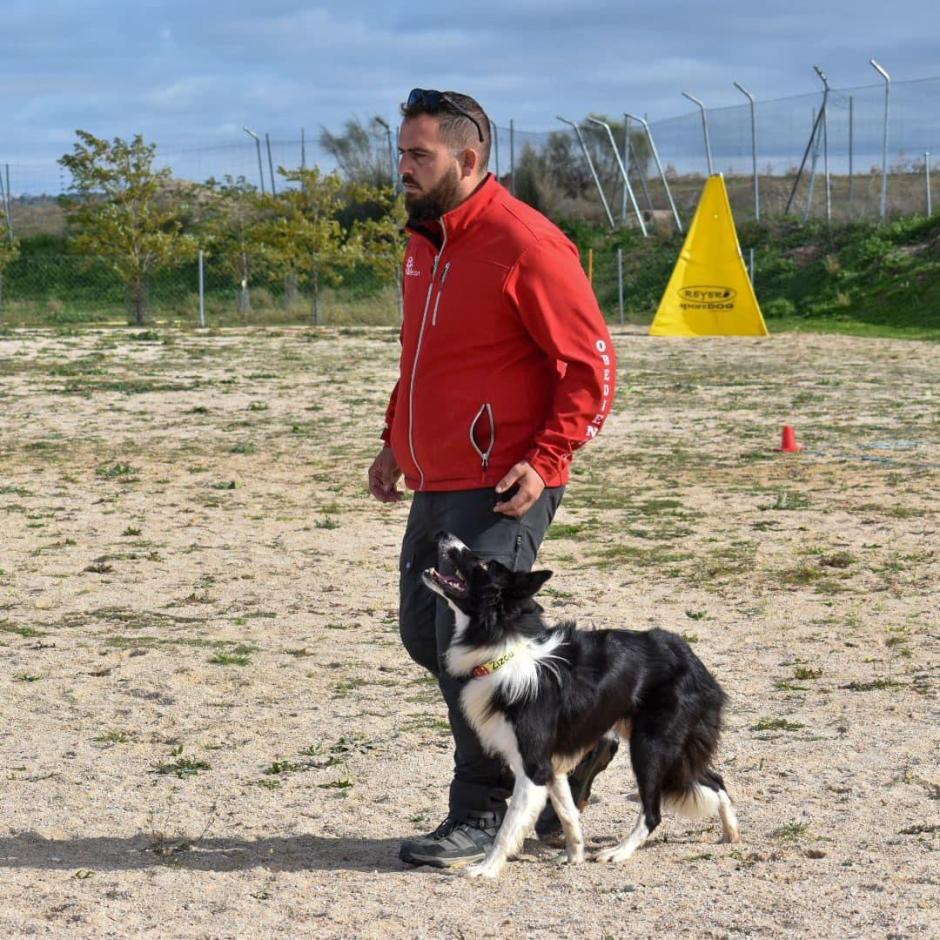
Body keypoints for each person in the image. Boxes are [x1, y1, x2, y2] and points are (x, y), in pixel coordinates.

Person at [368, 88, 618, 868]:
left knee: (468, 642)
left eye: (419, 155)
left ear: (468, 159)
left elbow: (591, 367)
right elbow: (421, 360)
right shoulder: (424, 242)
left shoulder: (527, 244)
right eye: (401, 153)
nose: (402, 168)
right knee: (423, 631)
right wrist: (391, 442)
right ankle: (576, 740)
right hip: (435, 478)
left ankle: (481, 813)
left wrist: (545, 463)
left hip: (506, 481)